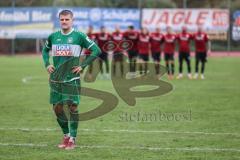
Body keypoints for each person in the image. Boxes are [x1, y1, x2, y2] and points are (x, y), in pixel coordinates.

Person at [42, 10, 101, 150]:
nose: (64, 22)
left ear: (72, 20)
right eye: (62, 19)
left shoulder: (79, 36)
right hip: (56, 80)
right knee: (57, 109)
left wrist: (83, 65)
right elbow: (45, 50)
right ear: (59, 20)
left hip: (72, 79)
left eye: (67, 19)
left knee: (72, 107)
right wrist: (47, 64)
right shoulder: (53, 36)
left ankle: (73, 138)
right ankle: (66, 135)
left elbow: (96, 50)